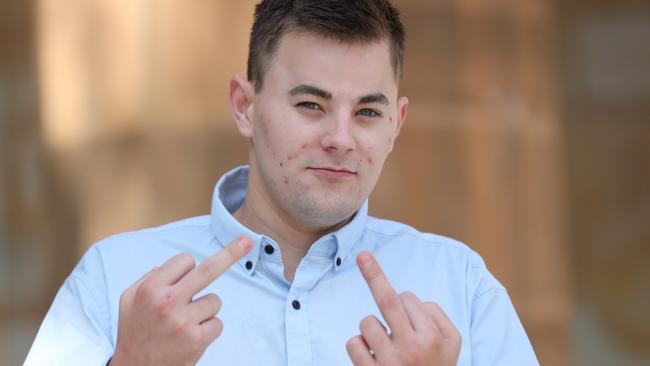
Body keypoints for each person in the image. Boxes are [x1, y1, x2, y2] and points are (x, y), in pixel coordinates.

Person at [25, 0, 539, 365]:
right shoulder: (117, 279)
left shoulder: (460, 287)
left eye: (366, 111)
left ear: (396, 125)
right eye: (311, 105)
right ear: (244, 107)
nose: (341, 138)